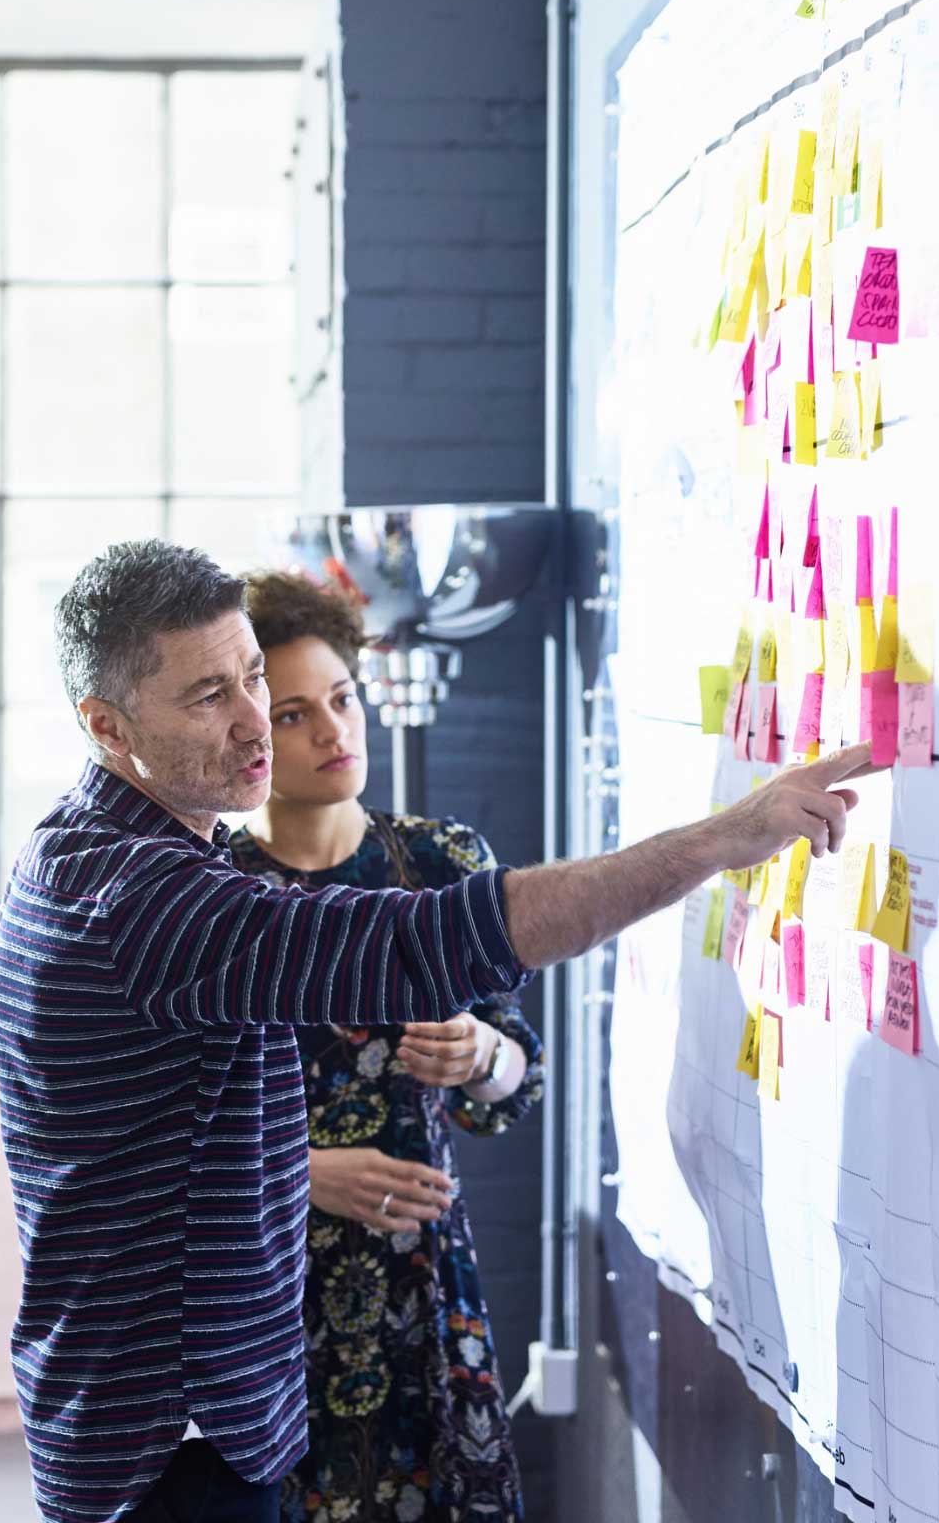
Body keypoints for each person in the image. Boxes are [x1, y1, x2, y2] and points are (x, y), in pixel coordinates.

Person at [0, 541, 873, 1523]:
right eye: (210, 697)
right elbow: (437, 938)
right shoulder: (144, 898)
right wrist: (721, 839)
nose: (253, 724)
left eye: (252, 679)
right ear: (107, 727)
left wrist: (484, 1057)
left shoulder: (100, 851)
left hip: (188, 1412)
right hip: (175, 1440)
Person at [228, 570, 539, 1523]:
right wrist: (307, 1170)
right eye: (292, 715)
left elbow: (516, 1083)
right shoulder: (212, 892)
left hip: (421, 1282)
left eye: (343, 698)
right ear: (243, 733)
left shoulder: (442, 863)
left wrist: (481, 1053)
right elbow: (167, 1133)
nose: (334, 732)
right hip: (265, 1289)